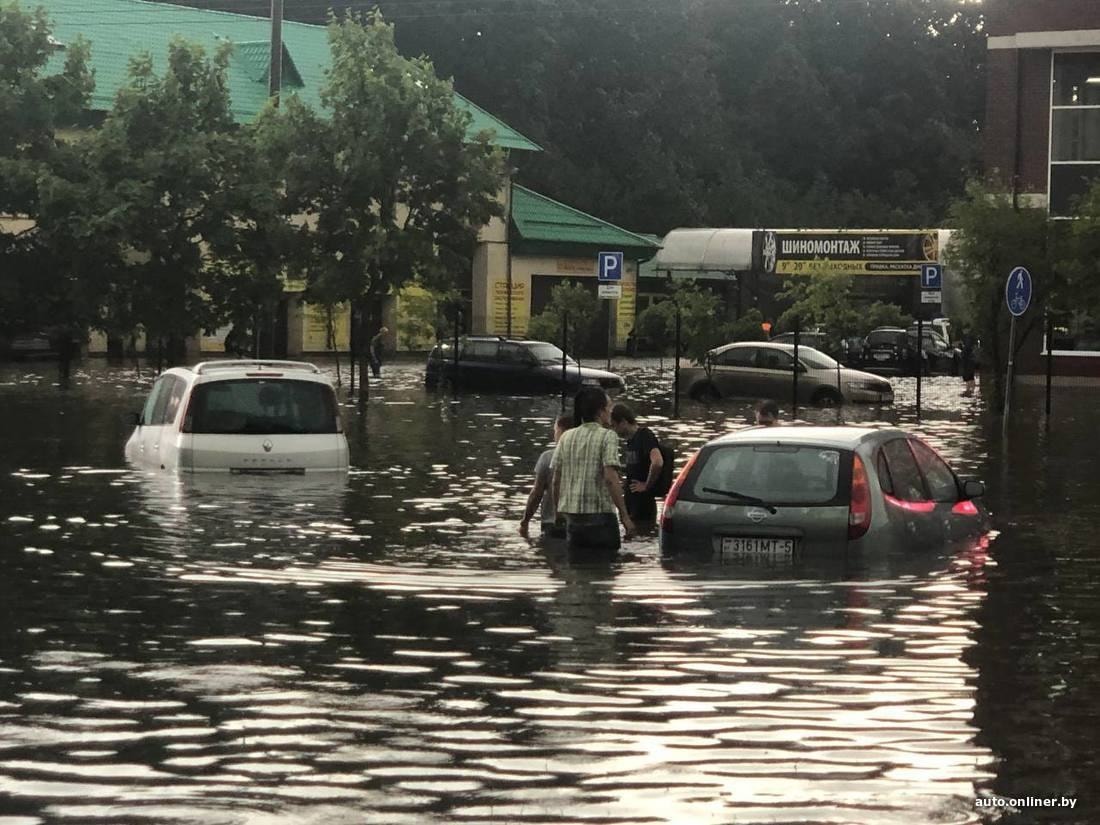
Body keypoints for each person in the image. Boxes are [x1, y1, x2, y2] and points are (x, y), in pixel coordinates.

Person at [551, 387, 636, 554]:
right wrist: (624, 516)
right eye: (609, 407)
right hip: (600, 517)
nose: (611, 412)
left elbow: (556, 480)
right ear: (600, 411)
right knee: (605, 570)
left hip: (573, 517)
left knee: (577, 569)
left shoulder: (566, 437)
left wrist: (558, 514)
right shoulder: (607, 436)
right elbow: (610, 479)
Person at [519, 414, 574, 540]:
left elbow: (536, 494)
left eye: (555, 430)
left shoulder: (548, 457)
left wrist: (525, 521)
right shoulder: (585, 459)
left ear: (562, 431)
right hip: (579, 523)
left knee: (550, 556)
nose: (554, 434)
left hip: (552, 522)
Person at [610, 403, 664, 524]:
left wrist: (646, 485)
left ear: (623, 422)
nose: (614, 431)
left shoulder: (645, 435)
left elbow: (657, 462)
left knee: (642, 533)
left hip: (643, 504)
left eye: (614, 426)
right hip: (631, 502)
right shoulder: (630, 441)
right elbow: (637, 466)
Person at [959, 329, 977, 396]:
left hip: (968, 361)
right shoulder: (970, 339)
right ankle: (970, 390)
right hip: (969, 360)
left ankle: (969, 390)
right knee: (970, 376)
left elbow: (966, 349)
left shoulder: (968, 339)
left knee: (968, 376)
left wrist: (962, 353)